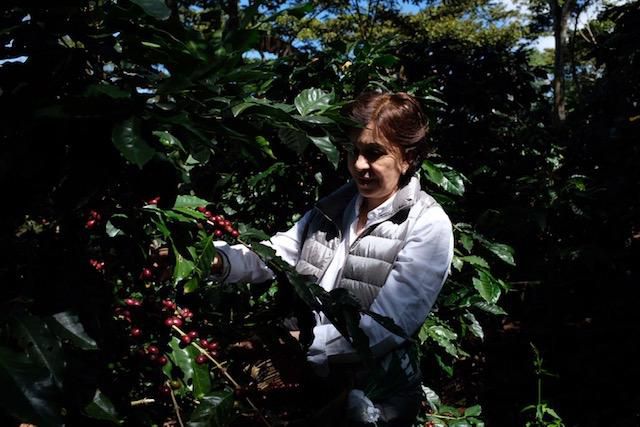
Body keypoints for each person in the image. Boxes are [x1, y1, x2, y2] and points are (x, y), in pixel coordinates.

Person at [211, 91, 454, 426]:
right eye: (353, 151)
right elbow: (277, 253)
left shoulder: (428, 224)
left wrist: (304, 343)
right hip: (312, 383)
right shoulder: (335, 206)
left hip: (374, 397)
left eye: (374, 154)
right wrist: (215, 260)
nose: (358, 165)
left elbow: (390, 326)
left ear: (408, 157)